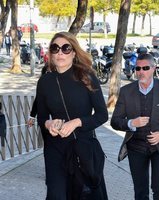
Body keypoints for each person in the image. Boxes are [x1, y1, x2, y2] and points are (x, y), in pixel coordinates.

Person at [36, 31, 108, 200]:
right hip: (55, 149)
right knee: (56, 195)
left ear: (74, 52)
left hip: (82, 148)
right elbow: (42, 117)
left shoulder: (86, 77)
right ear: (51, 53)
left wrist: (76, 122)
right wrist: (49, 125)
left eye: (66, 48)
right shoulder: (45, 82)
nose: (60, 52)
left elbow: (102, 115)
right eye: (55, 48)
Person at [111, 53, 159, 200]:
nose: (141, 72)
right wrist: (131, 123)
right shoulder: (126, 92)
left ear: (153, 68)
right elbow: (115, 121)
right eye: (138, 68)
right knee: (140, 192)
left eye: (145, 68)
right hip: (136, 147)